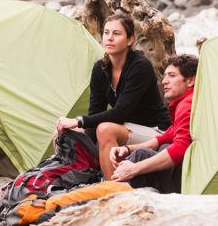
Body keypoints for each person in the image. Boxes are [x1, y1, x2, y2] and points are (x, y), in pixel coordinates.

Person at [54, 12, 171, 180]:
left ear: (130, 40)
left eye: (117, 34)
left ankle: (112, 188)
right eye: (106, 33)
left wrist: (78, 120)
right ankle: (76, 177)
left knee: (104, 129)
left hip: (155, 130)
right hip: (124, 127)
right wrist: (82, 141)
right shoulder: (100, 69)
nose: (109, 38)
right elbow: (95, 111)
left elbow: (120, 113)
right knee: (62, 132)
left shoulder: (140, 67)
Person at [109, 53, 198, 193]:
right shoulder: (189, 100)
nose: (164, 81)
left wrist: (134, 169)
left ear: (190, 80)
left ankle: (110, 196)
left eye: (172, 76)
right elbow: (163, 138)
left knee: (141, 157)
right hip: (188, 172)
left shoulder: (187, 104)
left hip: (190, 179)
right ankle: (112, 190)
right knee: (155, 148)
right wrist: (127, 149)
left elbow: (180, 149)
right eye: (165, 75)